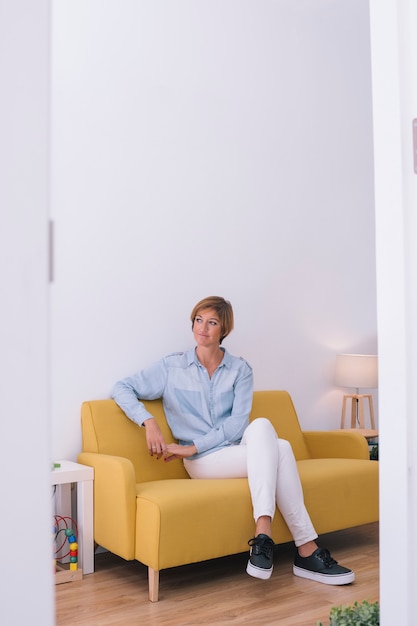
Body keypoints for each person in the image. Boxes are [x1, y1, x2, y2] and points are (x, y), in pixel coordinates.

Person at [112, 296, 354, 585]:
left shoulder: (241, 370)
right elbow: (122, 387)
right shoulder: (171, 368)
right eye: (198, 320)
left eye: (212, 322)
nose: (203, 328)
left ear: (223, 330)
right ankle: (306, 550)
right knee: (282, 448)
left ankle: (264, 533)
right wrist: (148, 421)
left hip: (234, 450)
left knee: (265, 428)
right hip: (203, 462)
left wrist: (192, 444)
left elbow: (238, 423)